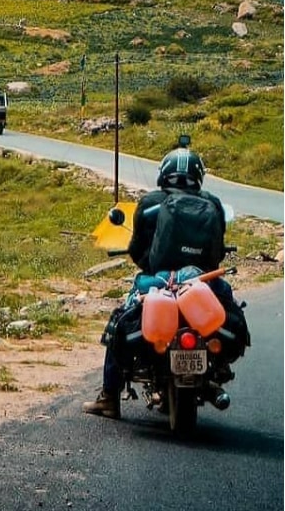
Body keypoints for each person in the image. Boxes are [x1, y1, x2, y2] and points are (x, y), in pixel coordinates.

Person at [83, 142, 227, 419]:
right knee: (226, 304)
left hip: (158, 281)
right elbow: (217, 252)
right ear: (199, 176)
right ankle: (216, 368)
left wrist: (151, 264)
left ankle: (109, 397)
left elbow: (137, 249)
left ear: (164, 173)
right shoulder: (213, 205)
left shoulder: (150, 204)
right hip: (203, 280)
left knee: (121, 319)